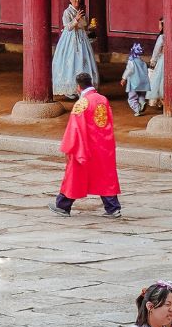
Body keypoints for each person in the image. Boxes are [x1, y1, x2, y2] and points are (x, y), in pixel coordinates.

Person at [49, 72, 121, 218]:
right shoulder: (103, 99)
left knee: (74, 176)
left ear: (78, 87)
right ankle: (113, 208)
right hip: (103, 146)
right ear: (91, 83)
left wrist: (70, 147)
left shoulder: (81, 103)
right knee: (105, 177)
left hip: (85, 146)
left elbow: (75, 128)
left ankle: (63, 205)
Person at [52, 0, 99, 100]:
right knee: (70, 62)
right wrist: (76, 19)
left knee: (82, 61)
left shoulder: (81, 12)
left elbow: (84, 26)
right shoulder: (67, 12)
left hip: (82, 39)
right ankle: (69, 89)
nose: (77, 0)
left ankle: (82, 88)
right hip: (70, 40)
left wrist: (91, 27)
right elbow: (67, 27)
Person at [120, 42, 150, 117]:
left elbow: (129, 70)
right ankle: (142, 102)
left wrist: (124, 78)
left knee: (132, 98)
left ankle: (137, 109)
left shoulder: (132, 61)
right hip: (143, 83)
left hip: (134, 83)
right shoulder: (143, 62)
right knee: (141, 94)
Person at [147, 17, 164, 110]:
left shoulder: (162, 37)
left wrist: (153, 61)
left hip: (162, 60)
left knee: (159, 80)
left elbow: (156, 50)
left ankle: (161, 101)